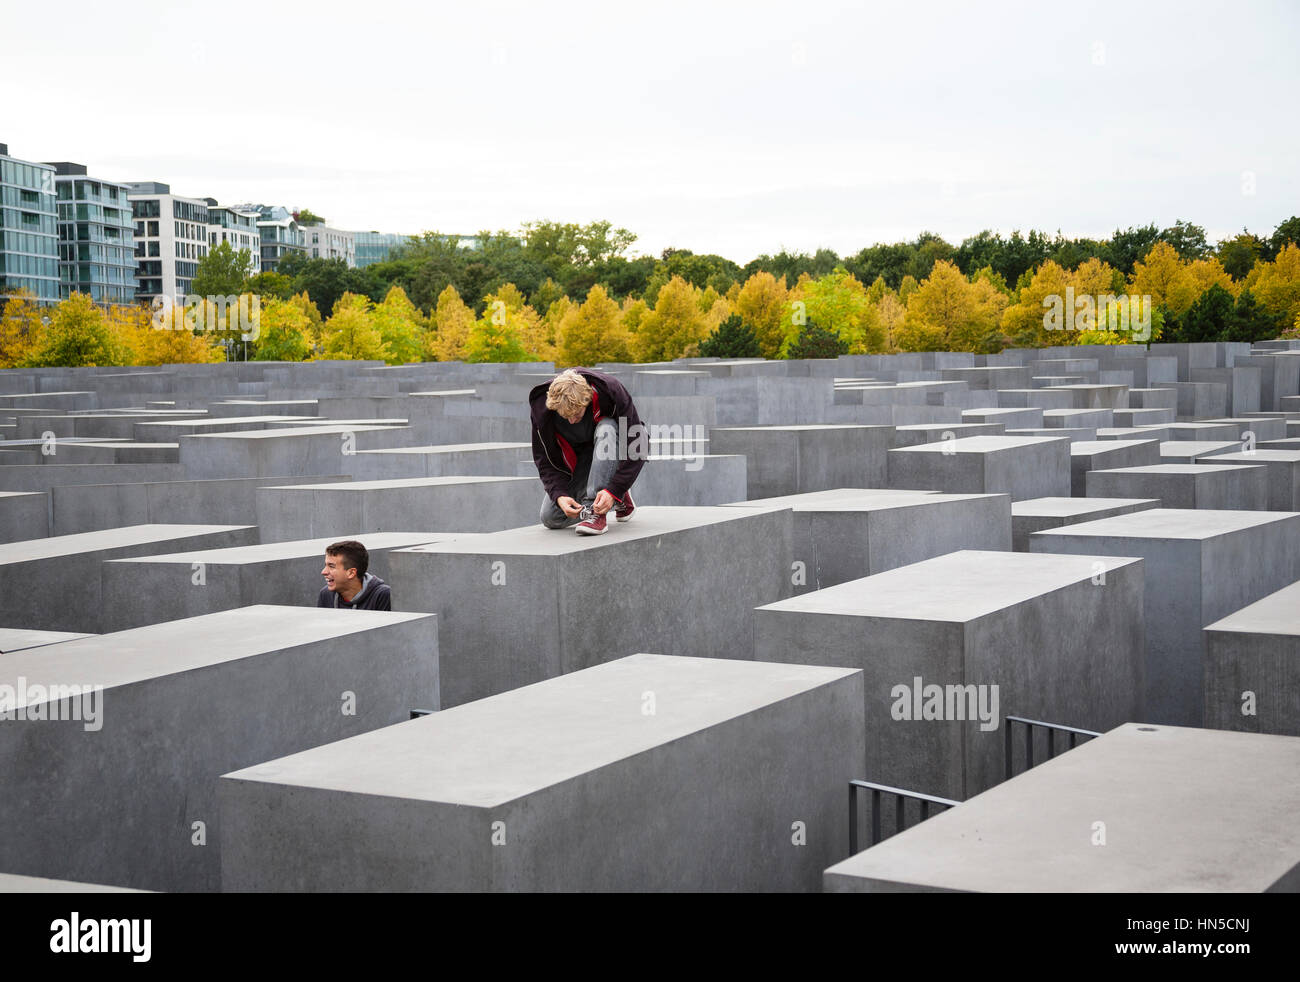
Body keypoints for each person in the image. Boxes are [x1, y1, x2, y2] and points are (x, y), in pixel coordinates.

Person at [530, 367, 646, 535]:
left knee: (607, 427)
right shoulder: (542, 411)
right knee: (551, 517)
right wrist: (559, 494)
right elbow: (544, 460)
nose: (571, 421)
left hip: (612, 446)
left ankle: (596, 511)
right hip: (583, 458)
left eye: (576, 415)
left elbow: (639, 444)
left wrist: (614, 489)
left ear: (587, 399)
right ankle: (617, 494)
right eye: (565, 416)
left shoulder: (611, 391)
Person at [317, 539, 392, 610]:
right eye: (325, 565)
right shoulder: (326, 594)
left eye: (331, 566)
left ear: (351, 573)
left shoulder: (382, 595)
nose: (323, 572)